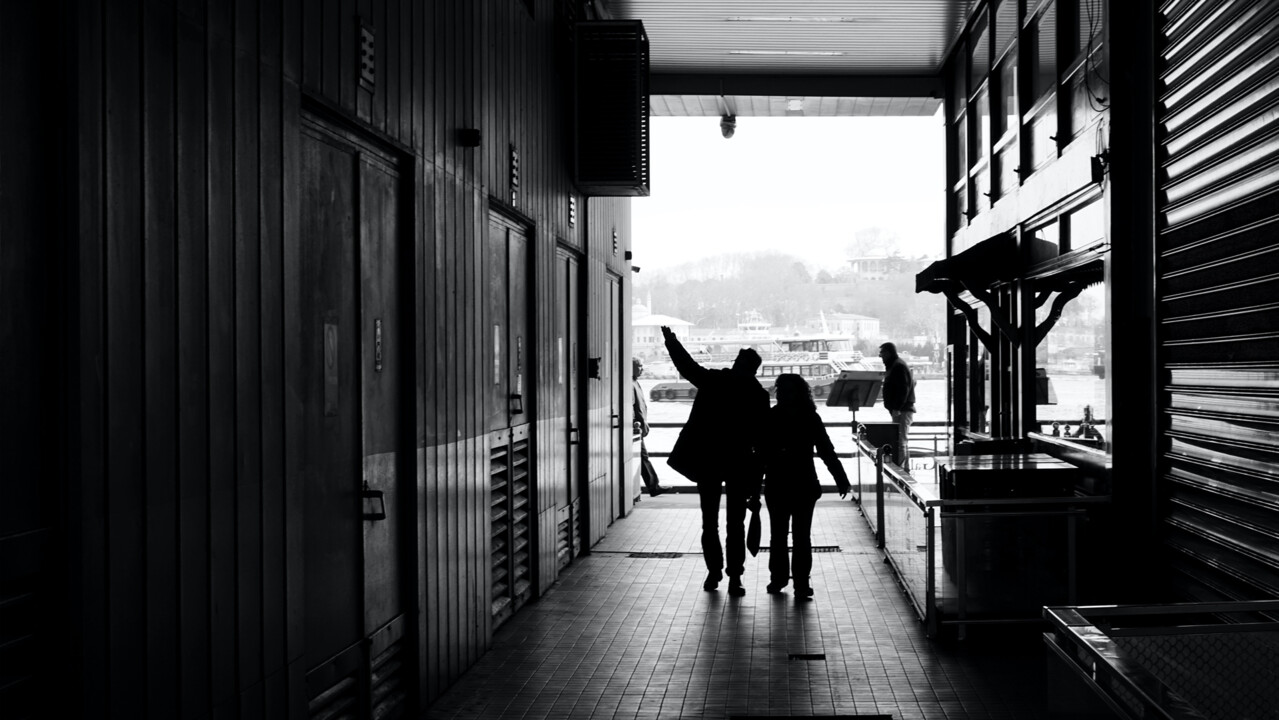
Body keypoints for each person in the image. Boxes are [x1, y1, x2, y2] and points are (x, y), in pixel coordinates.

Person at [661, 325, 769, 596]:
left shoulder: (715, 381)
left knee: (709, 521)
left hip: (707, 460)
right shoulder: (758, 395)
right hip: (740, 464)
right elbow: (761, 441)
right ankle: (735, 577)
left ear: (737, 363)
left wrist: (672, 342)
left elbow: (688, 368)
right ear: (755, 370)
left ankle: (714, 572)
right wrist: (757, 484)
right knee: (736, 523)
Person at [762, 374, 850, 599]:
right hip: (804, 483)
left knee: (778, 535)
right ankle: (801, 583)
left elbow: (761, 456)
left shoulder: (771, 417)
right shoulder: (810, 417)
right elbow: (826, 450)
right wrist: (840, 477)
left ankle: (778, 579)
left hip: (777, 483)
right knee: (802, 536)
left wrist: (753, 487)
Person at [632, 357, 669, 497]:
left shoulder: (635, 382)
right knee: (643, 457)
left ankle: (653, 486)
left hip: (638, 428)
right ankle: (653, 487)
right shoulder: (631, 383)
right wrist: (638, 423)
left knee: (642, 457)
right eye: (639, 366)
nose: (642, 368)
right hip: (635, 428)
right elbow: (632, 407)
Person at [879, 342, 916, 466]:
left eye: (882, 353)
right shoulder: (896, 365)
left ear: (888, 353)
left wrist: (896, 408)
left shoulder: (897, 367)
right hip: (901, 409)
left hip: (902, 410)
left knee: (900, 442)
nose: (880, 356)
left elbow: (903, 389)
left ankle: (900, 473)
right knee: (901, 441)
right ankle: (905, 470)